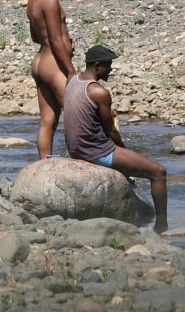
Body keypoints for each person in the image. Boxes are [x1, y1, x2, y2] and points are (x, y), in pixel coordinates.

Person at [63, 45, 168, 233]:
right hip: (95, 151)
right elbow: (111, 132)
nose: (111, 69)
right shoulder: (99, 92)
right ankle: (162, 226)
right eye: (108, 65)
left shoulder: (72, 81)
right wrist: (124, 151)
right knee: (158, 172)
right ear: (97, 66)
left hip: (75, 148)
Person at [28, 0, 76, 158]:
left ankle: (43, 164)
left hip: (40, 62)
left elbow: (35, 36)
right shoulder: (50, 0)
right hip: (53, 63)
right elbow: (55, 40)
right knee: (78, 114)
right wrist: (71, 71)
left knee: (48, 121)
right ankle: (83, 160)